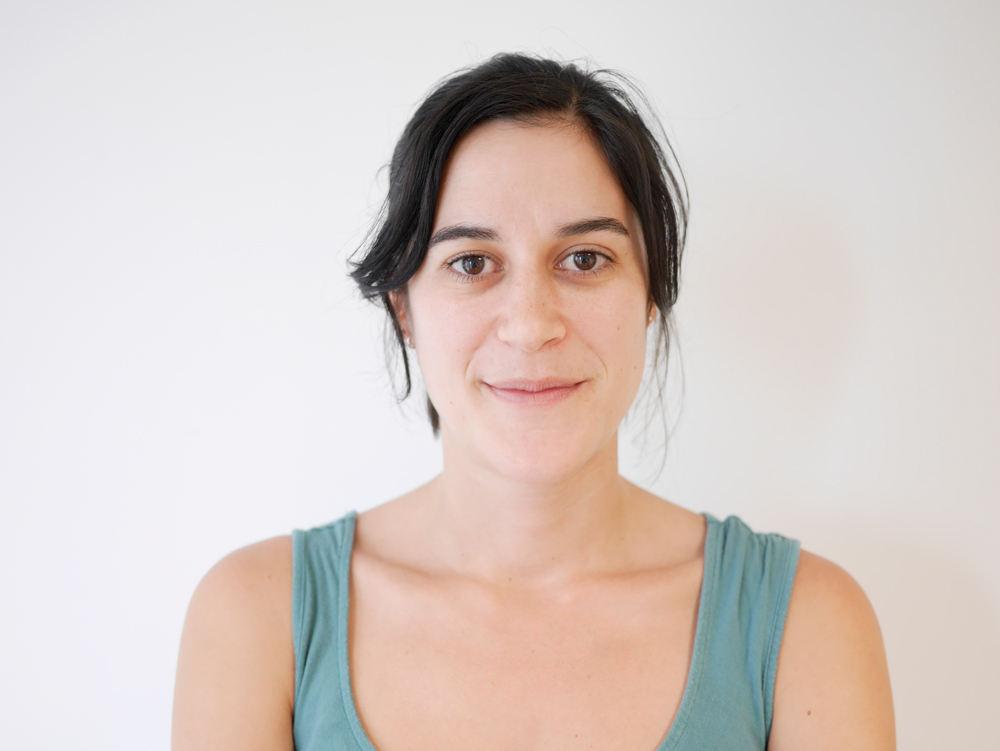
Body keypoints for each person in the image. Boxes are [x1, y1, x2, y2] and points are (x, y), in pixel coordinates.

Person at [172, 54, 895, 751]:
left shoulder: (808, 622)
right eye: (471, 263)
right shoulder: (254, 617)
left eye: (585, 259)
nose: (531, 323)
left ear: (649, 295)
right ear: (403, 308)